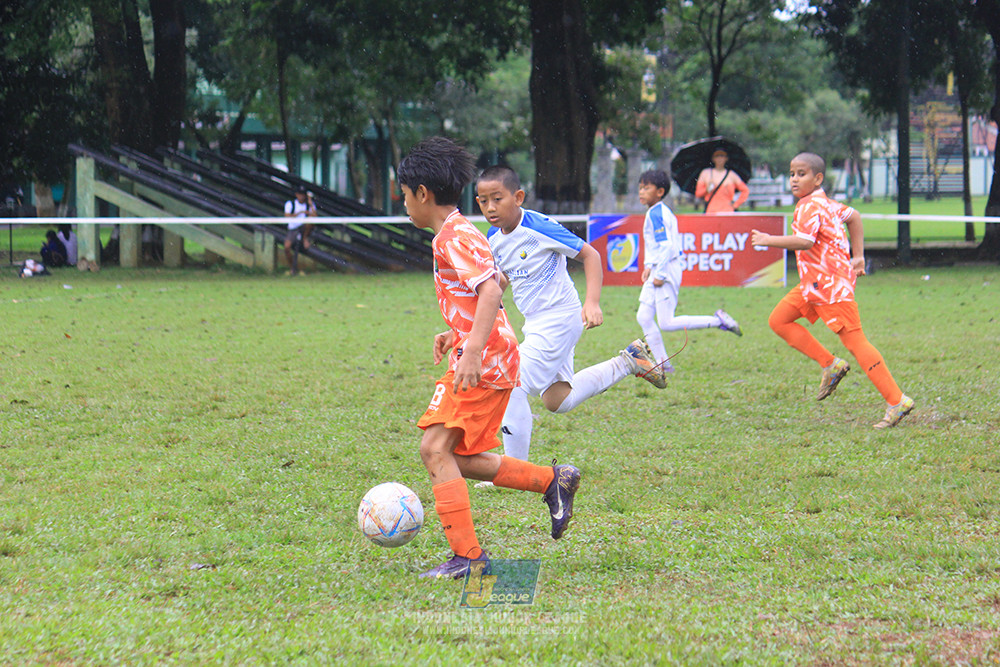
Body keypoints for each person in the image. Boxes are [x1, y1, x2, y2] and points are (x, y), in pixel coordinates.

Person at [396, 137, 581, 580]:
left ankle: (469, 558)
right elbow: (491, 280)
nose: (404, 205)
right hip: (488, 352)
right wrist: (458, 331)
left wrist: (473, 349)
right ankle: (551, 481)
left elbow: (492, 290)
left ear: (423, 194)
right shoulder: (458, 230)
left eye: (405, 196)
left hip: (486, 359)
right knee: (454, 456)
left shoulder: (452, 236)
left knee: (434, 448)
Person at [477, 165, 667, 467]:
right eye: (482, 201)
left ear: (518, 197)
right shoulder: (494, 237)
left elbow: (590, 255)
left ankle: (515, 471)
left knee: (510, 381)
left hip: (560, 319)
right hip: (538, 323)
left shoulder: (539, 228)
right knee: (557, 400)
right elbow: (504, 278)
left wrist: (592, 303)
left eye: (497, 199)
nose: (490, 207)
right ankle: (629, 361)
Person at [750, 152, 914, 428]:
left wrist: (768, 239)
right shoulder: (825, 202)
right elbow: (855, 216)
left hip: (830, 288)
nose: (794, 179)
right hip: (812, 286)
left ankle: (897, 401)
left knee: (856, 343)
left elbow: (803, 241)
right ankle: (831, 364)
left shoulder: (809, 206)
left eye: (801, 174)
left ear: (818, 178)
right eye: (791, 174)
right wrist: (858, 255)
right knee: (779, 320)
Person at [637, 170, 743, 371]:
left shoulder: (658, 213)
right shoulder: (655, 211)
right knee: (643, 316)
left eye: (646, 188)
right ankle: (663, 364)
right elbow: (655, 245)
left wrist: (659, 274)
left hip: (666, 269)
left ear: (660, 192)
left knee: (666, 322)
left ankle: (717, 320)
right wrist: (648, 266)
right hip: (659, 267)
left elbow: (667, 246)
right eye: (640, 187)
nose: (641, 192)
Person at [695, 148, 750, 213]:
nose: (720, 158)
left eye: (722, 156)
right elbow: (698, 193)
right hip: (711, 211)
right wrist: (707, 189)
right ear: (713, 159)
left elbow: (745, 190)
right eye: (717, 156)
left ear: (726, 158)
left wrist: (736, 204)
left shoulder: (731, 175)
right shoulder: (706, 173)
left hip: (727, 211)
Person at [284, 186, 316, 274]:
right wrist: (300, 213)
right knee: (287, 247)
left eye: (303, 194)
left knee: (309, 222)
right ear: (296, 194)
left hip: (304, 228)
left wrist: (310, 203)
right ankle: (292, 268)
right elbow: (286, 216)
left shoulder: (308, 205)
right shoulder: (290, 204)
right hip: (293, 229)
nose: (301, 196)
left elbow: (315, 217)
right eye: (300, 194)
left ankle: (305, 238)